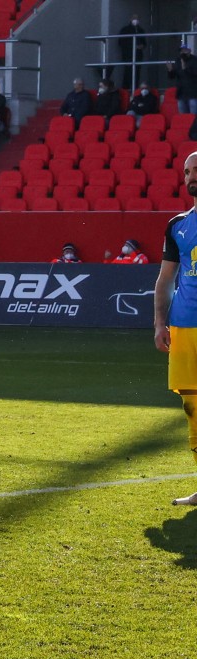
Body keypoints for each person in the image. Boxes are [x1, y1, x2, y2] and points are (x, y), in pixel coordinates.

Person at [156, 152, 197, 505]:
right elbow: (166, 278)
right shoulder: (178, 224)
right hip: (183, 326)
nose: (191, 175)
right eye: (187, 171)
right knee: (192, 407)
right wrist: (159, 322)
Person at [113, 14, 147, 89]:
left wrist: (142, 46)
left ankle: (135, 89)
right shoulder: (125, 30)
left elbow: (144, 43)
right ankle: (126, 90)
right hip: (128, 56)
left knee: (137, 74)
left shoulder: (141, 30)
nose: (135, 20)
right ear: (130, 19)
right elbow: (120, 42)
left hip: (138, 56)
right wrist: (132, 46)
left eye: (137, 18)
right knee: (127, 74)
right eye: (134, 18)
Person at [167, 44, 197, 116]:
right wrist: (170, 70)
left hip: (192, 92)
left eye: (185, 50)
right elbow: (172, 77)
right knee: (182, 115)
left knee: (193, 115)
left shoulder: (195, 60)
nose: (183, 52)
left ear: (189, 51)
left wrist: (185, 69)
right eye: (181, 51)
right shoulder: (178, 60)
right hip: (181, 92)